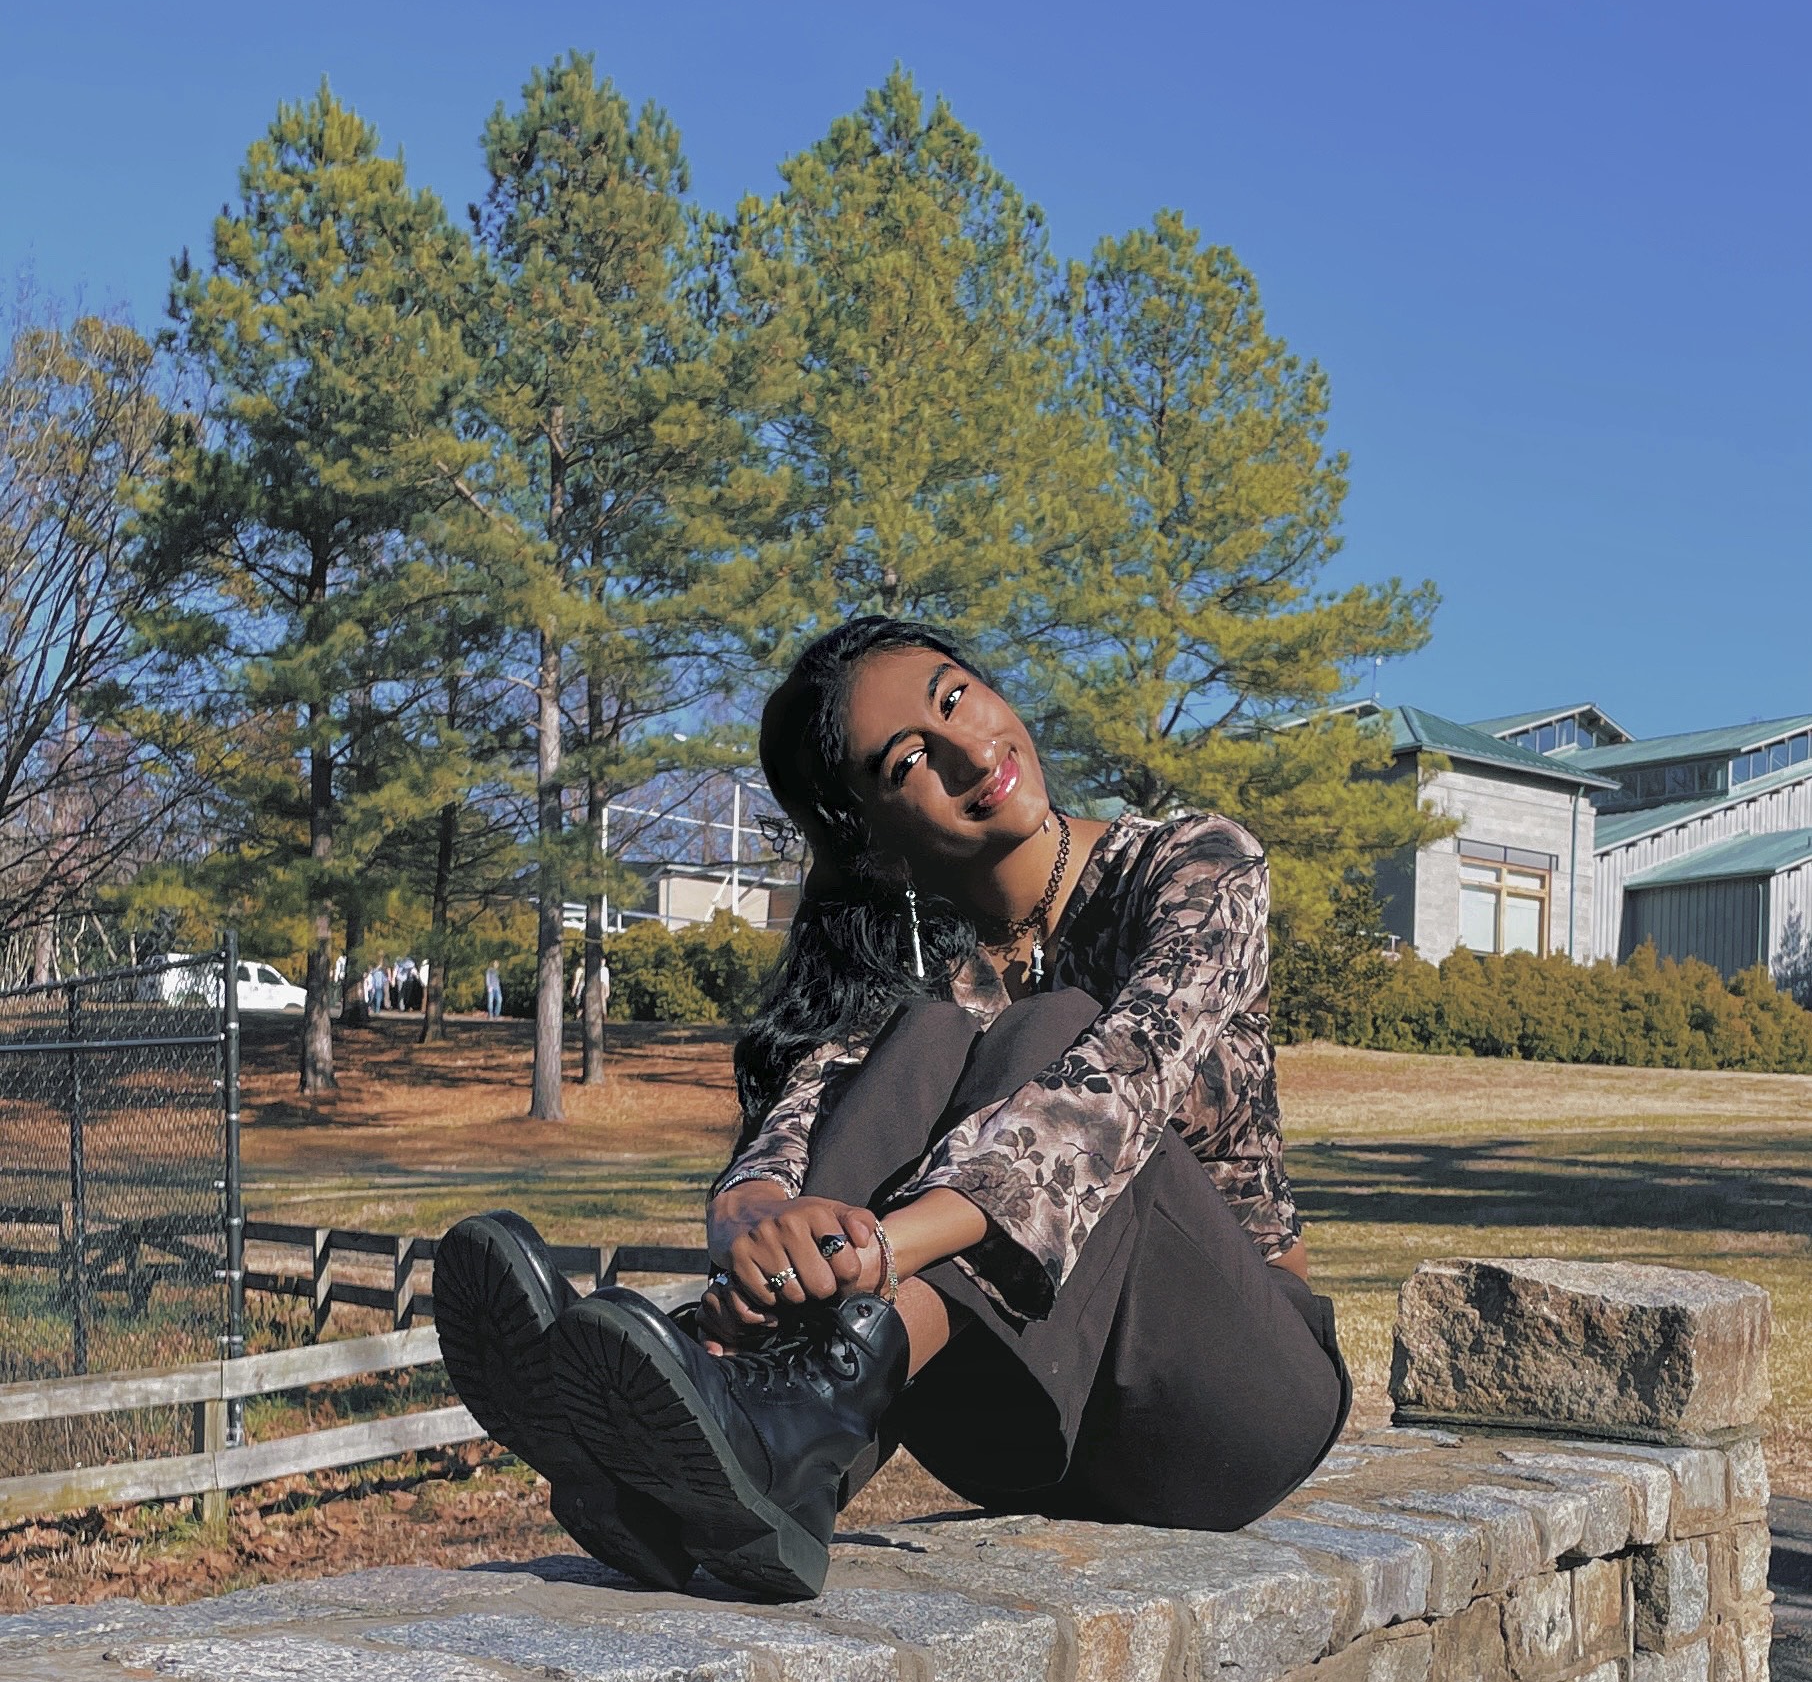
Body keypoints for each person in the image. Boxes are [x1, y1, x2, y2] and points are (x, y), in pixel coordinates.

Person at [434, 615, 1349, 1602]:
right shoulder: (942, 978)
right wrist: (756, 1229)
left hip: (1234, 1400)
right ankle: (702, 1474)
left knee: (1056, 1027)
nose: (966, 749)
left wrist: (872, 1249)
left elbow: (1118, 1086)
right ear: (882, 840)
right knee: (923, 1034)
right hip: (1037, 1433)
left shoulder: (1198, 865)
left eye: (956, 698)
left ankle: (790, 1400)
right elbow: (801, 1112)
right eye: (911, 758)